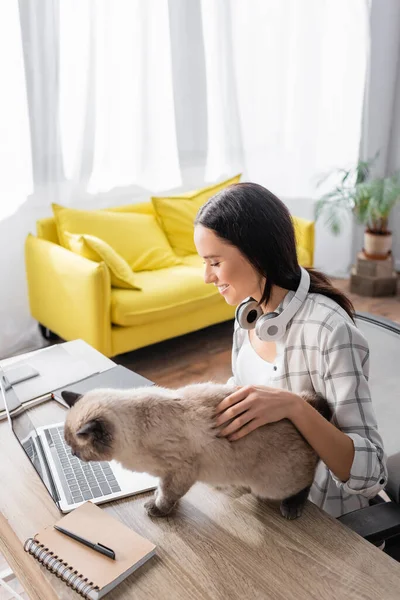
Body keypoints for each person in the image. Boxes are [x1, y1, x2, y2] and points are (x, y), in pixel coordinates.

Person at [193, 181, 387, 518]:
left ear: (255, 253)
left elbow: (371, 474)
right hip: (260, 499)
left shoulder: (330, 331)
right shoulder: (248, 316)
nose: (207, 277)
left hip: (319, 519)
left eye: (214, 262)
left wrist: (295, 408)